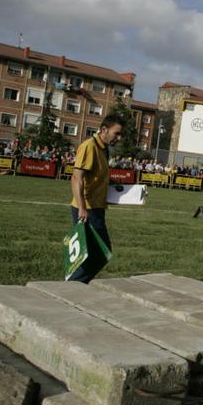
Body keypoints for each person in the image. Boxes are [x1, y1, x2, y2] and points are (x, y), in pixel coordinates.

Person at [67, 114, 124, 283]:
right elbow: (76, 178)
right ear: (104, 130)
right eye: (116, 133)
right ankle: (73, 285)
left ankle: (76, 284)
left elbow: (94, 176)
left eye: (120, 135)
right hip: (87, 209)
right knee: (100, 253)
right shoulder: (89, 146)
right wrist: (82, 208)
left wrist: (113, 182)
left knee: (95, 254)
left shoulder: (103, 149)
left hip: (97, 208)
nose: (118, 138)